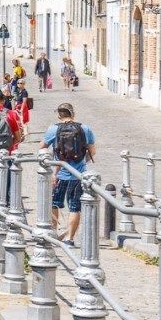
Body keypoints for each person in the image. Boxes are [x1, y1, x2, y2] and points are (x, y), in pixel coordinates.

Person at [43, 102, 96, 247]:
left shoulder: (53, 129)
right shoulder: (85, 128)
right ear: (73, 113)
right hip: (78, 174)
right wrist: (80, 163)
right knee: (74, 206)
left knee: (53, 202)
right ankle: (69, 238)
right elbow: (92, 151)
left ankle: (53, 231)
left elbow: (42, 148)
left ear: (59, 115)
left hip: (59, 173)